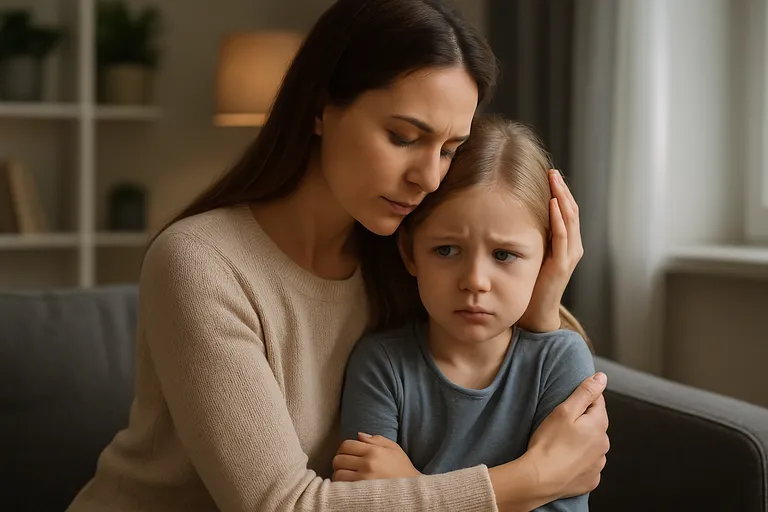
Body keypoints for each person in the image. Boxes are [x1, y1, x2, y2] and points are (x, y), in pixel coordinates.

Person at [67, 1, 609, 511]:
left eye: (448, 150)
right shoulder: (200, 263)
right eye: (403, 137)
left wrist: (542, 302)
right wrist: (533, 478)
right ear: (321, 108)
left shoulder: (404, 252)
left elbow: (501, 378)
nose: (429, 177)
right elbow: (283, 505)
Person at [335, 116, 593, 512]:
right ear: (409, 252)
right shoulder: (381, 364)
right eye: (446, 250)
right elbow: (362, 506)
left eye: (504, 255)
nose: (475, 281)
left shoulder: (559, 361)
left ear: (547, 258)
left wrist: (411, 487)